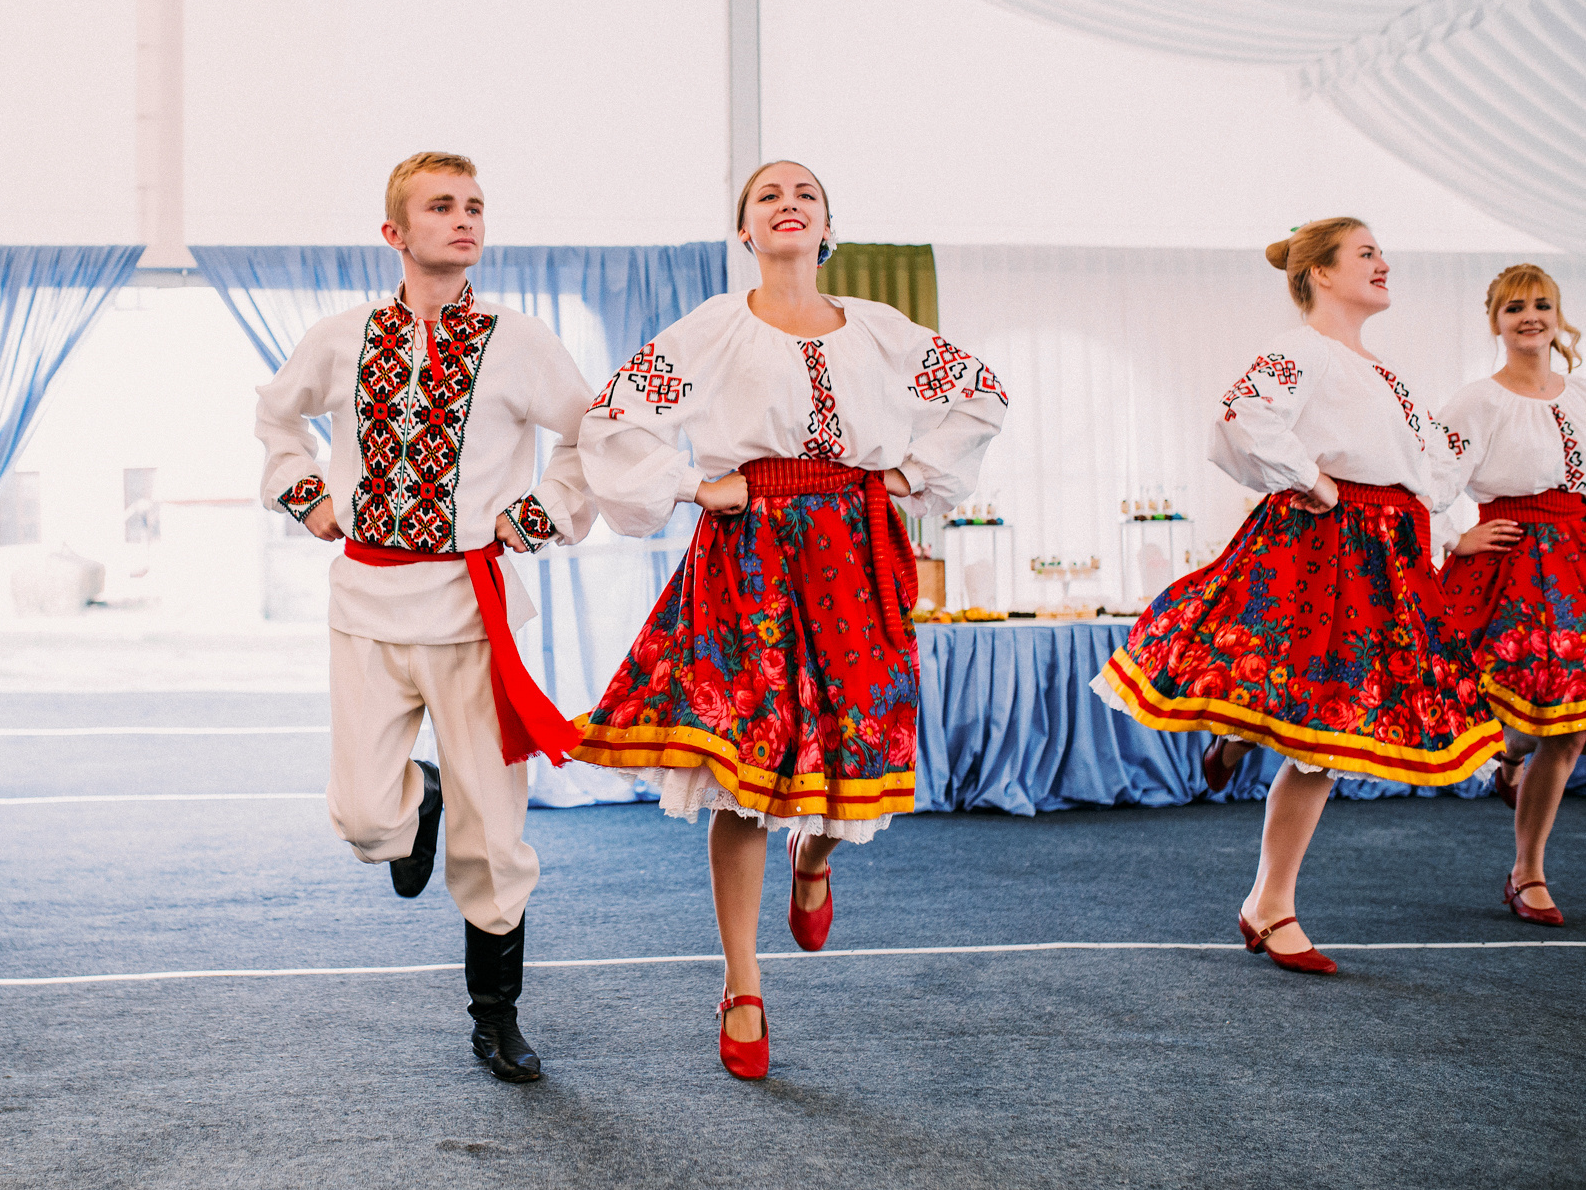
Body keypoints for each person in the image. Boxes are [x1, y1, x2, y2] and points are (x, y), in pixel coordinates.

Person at [570, 160, 1007, 1078]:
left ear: (827, 227)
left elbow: (983, 393)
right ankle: (742, 981)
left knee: (848, 743)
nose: (787, 204)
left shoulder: (883, 332)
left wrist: (901, 476)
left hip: (853, 549)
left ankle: (818, 852)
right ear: (746, 232)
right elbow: (613, 419)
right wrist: (695, 483)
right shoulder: (713, 330)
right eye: (767, 195)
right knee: (747, 765)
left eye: (803, 193)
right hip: (753, 552)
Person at [255, 152, 594, 1083]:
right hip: (366, 603)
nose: (464, 219)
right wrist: (307, 494)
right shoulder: (341, 335)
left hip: (472, 610)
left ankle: (496, 1017)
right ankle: (420, 798)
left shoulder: (521, 340)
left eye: (475, 206)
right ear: (394, 233)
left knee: (497, 831)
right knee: (367, 819)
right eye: (441, 206)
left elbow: (595, 434)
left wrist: (546, 510)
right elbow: (276, 419)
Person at [1096, 218, 1503, 975]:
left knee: (1325, 730)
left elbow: (1428, 472)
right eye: (1368, 254)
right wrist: (1315, 482)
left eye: (1382, 253)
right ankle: (1271, 902)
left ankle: (1246, 766)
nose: (1386, 263)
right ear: (1319, 273)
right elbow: (1238, 419)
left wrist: (1449, 535)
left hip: (1386, 553)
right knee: (1321, 730)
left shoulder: (1380, 370)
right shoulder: (1301, 351)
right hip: (1329, 544)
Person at [1437, 265, 1586, 927]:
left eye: (1542, 305)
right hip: (1510, 565)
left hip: (1576, 558)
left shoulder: (1581, 395)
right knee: (1519, 712)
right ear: (1496, 320)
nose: (1531, 316)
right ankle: (1507, 757)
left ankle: (1528, 871)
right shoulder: (1476, 401)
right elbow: (1426, 481)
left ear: (1558, 316)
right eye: (1516, 307)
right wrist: (1457, 539)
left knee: (1572, 725)